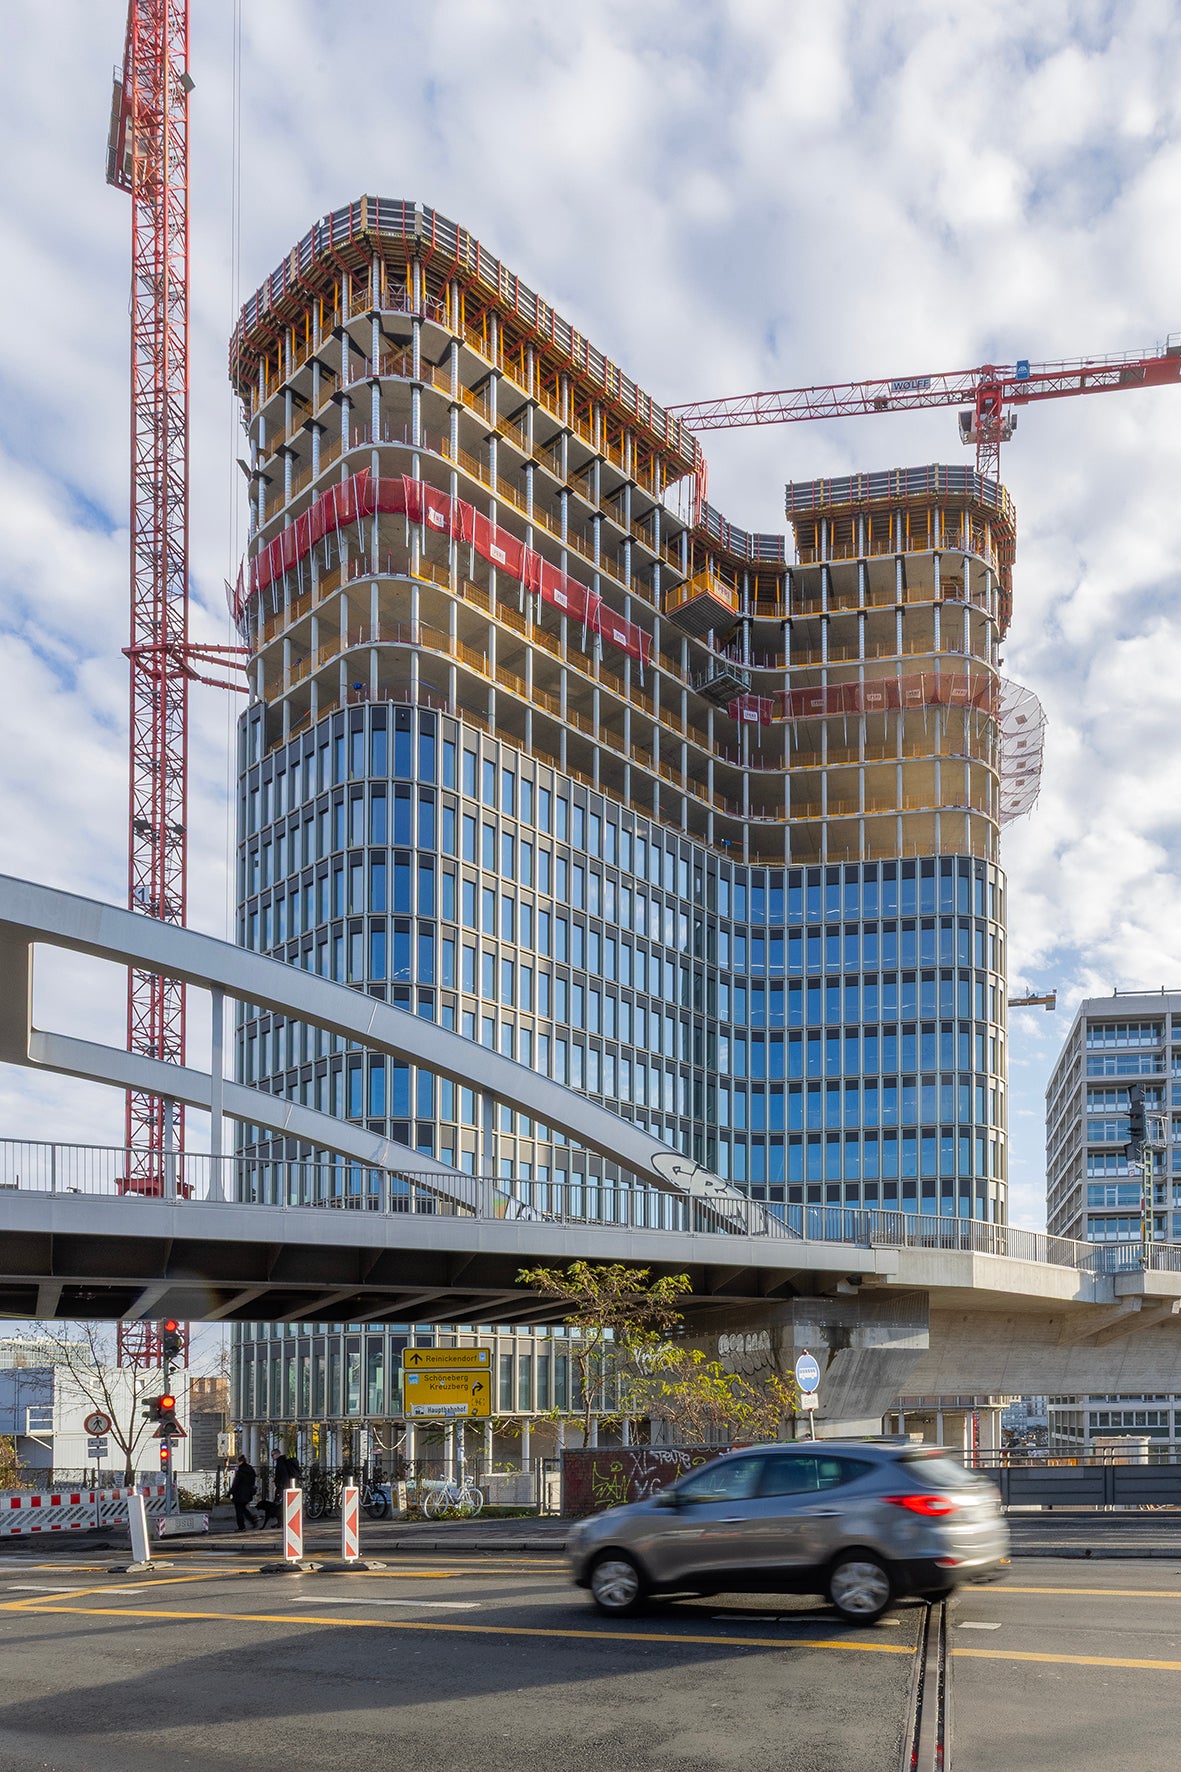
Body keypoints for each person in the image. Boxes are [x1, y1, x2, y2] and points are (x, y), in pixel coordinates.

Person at [229, 1454, 258, 1532]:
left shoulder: (240, 1471)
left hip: (239, 1494)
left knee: (239, 1511)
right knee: (243, 1508)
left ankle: (241, 1527)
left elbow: (236, 1483)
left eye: (237, 1462)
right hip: (248, 1493)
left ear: (241, 1462)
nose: (237, 1463)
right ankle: (252, 1519)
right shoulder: (250, 1469)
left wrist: (230, 1492)